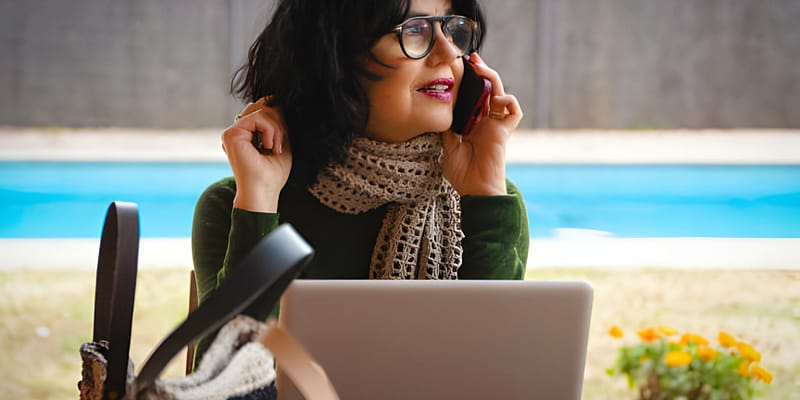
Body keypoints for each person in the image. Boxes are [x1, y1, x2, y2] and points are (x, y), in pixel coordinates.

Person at [191, 0, 529, 365]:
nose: (448, 52)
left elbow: (493, 369)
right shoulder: (238, 203)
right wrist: (259, 199)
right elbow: (224, 384)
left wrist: (485, 188)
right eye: (415, 31)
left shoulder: (490, 202)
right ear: (334, 57)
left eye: (452, 29)